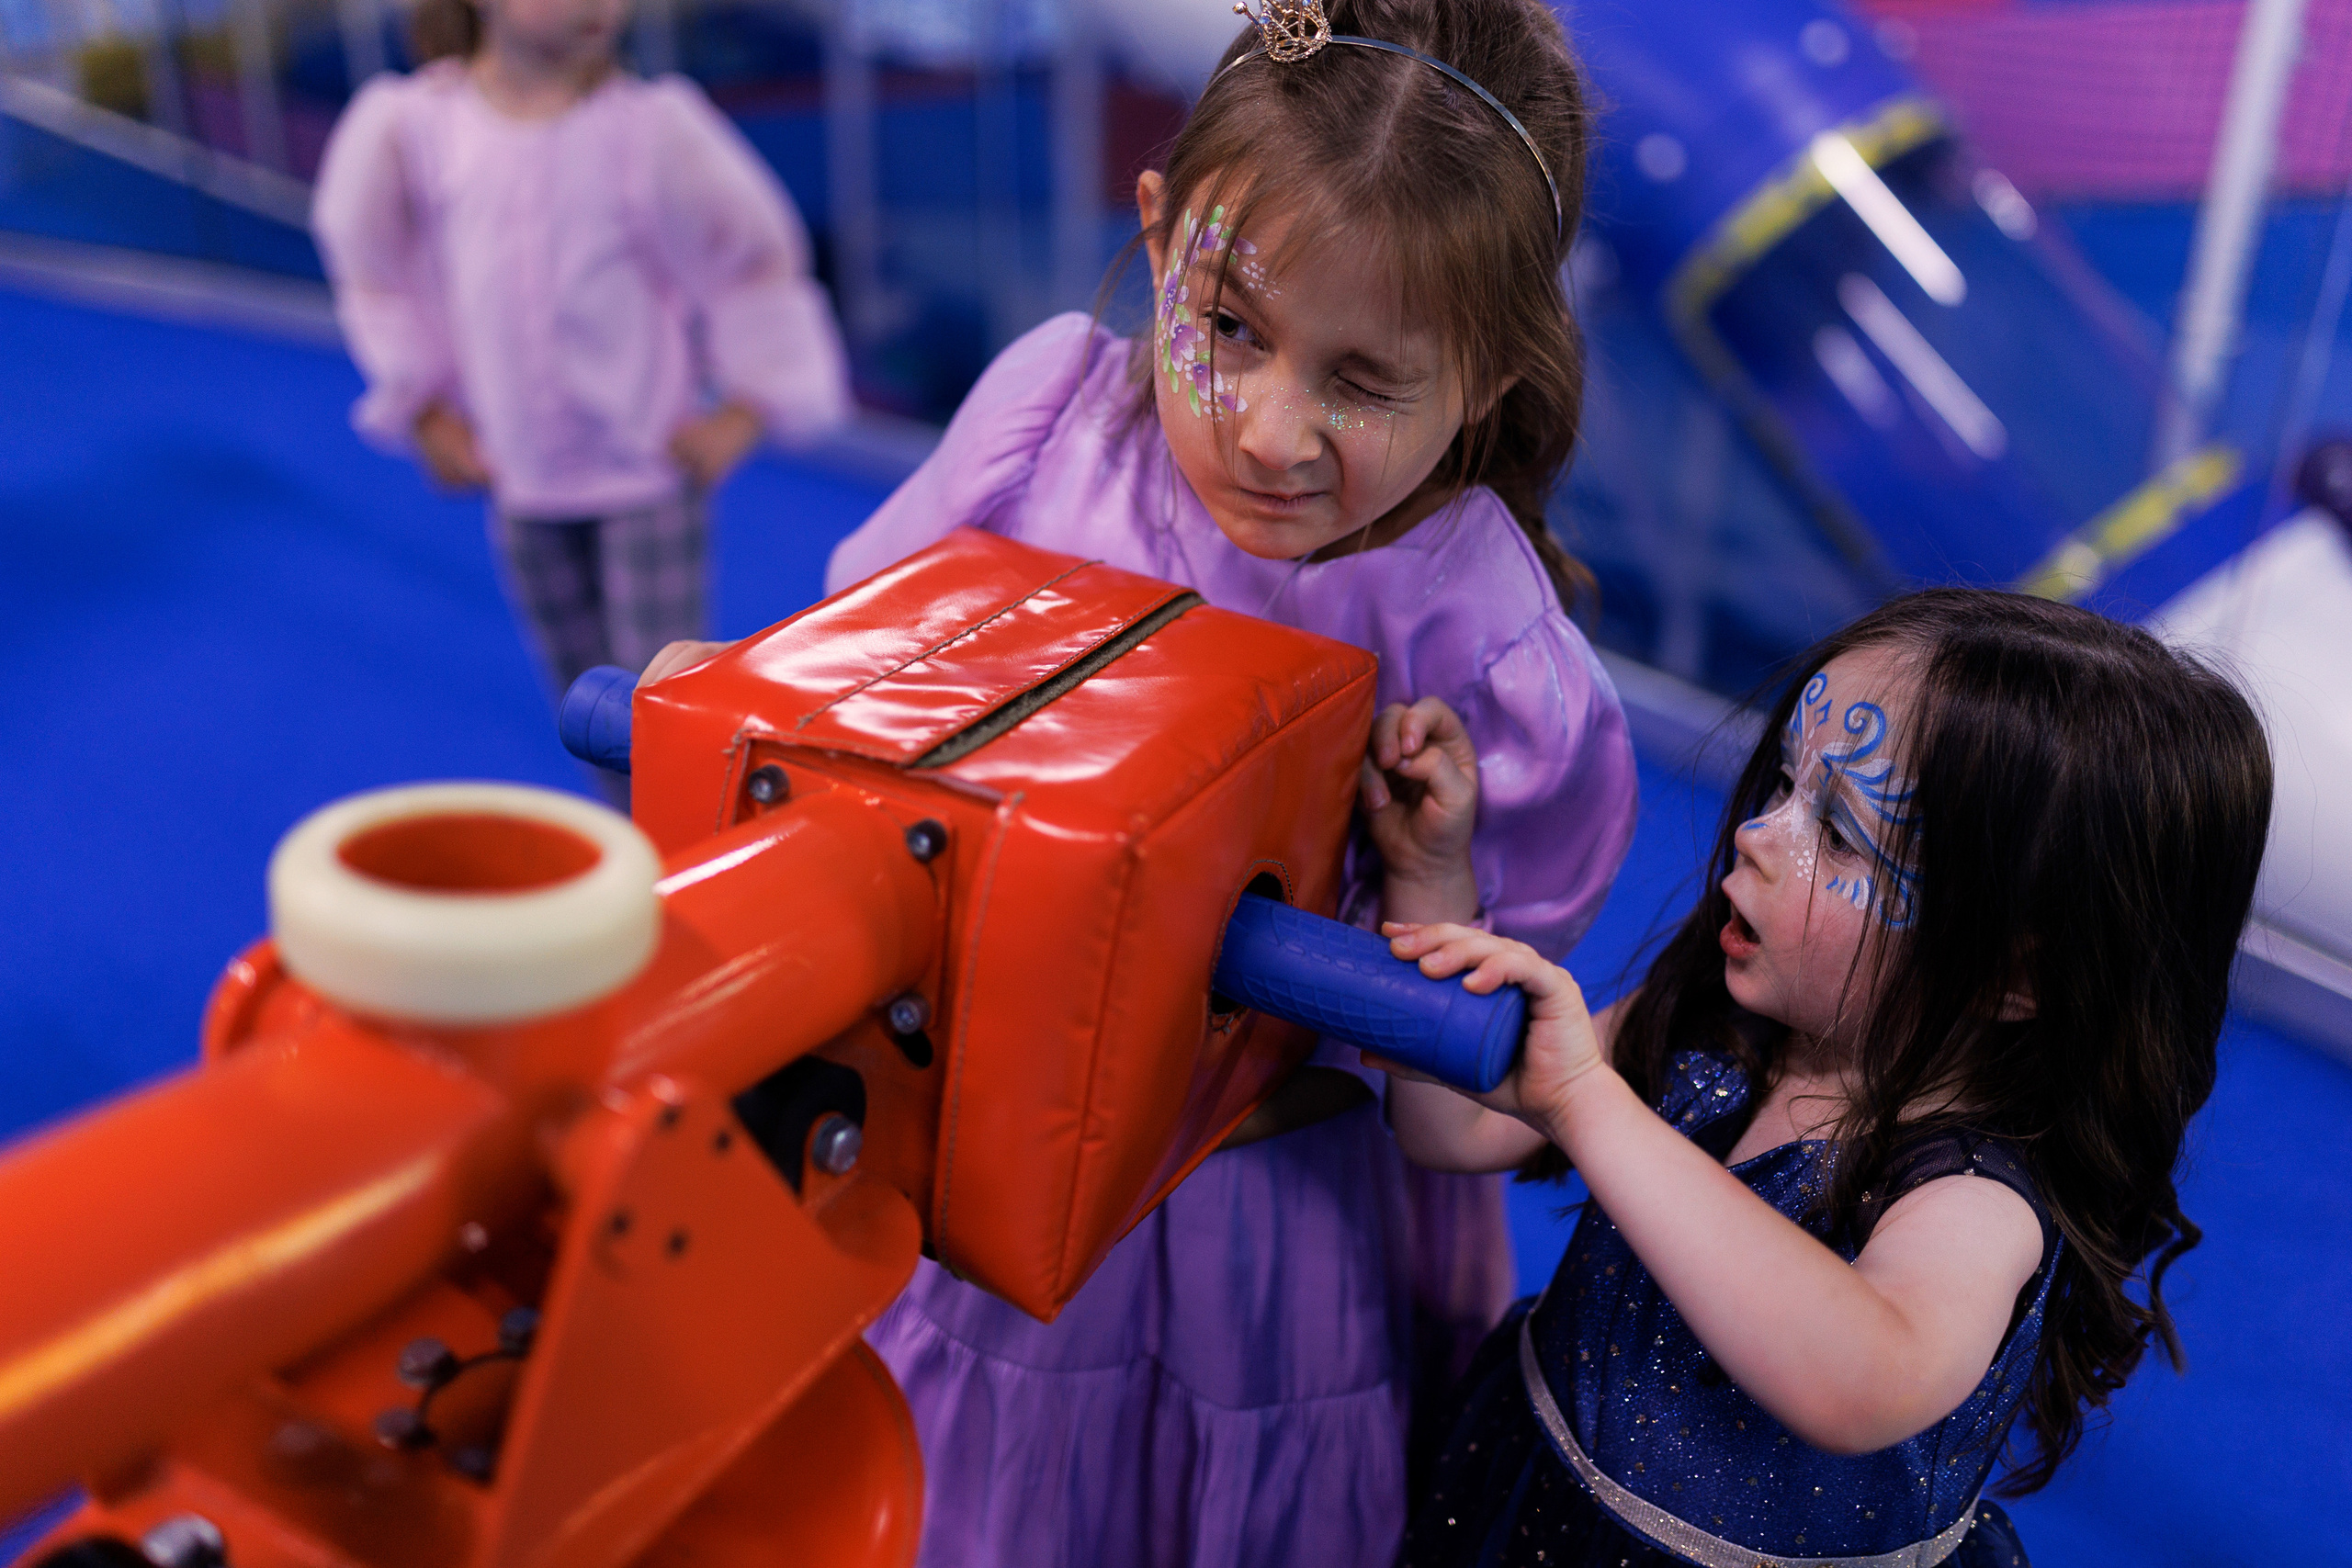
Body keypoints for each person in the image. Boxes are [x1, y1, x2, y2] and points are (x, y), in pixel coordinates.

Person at [648, 1, 1634, 1560]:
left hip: (1267, 1244)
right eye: (1228, 326)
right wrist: (744, 696)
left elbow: (1481, 1045)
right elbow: (855, 690)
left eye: (1365, 380)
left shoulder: (1478, 641)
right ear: (1162, 231)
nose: (1268, 428)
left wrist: (1431, 881)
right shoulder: (1049, 424)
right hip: (980, 1177)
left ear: (1492, 376)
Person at [1377, 590, 2272, 1568]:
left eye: (1840, 832)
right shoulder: (1719, 1029)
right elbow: (1446, 1130)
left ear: (2013, 975)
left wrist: (1587, 1104)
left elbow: (1859, 1381)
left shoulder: (1974, 1199)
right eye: (1781, 786)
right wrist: (1429, 877)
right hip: (1523, 1511)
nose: (1760, 835)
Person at [310, 0, 852, 793]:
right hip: (521, 480)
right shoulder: (418, 128)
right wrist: (422, 406)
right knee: (588, 713)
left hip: (646, 477)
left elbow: (755, 263)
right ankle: (638, 850)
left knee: (660, 709)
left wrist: (747, 406)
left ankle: (683, 862)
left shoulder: (647, 129)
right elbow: (371, 268)